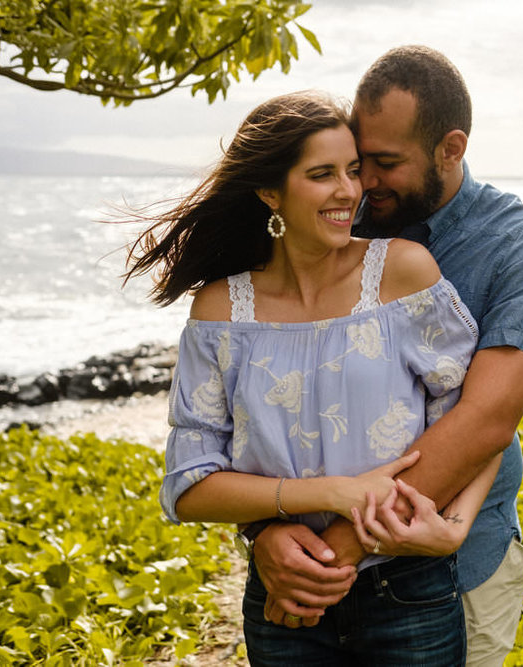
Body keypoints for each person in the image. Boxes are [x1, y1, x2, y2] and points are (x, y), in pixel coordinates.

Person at [123, 90, 501, 665]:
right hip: (285, 593)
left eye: (352, 170)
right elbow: (190, 483)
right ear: (270, 191)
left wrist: (453, 526)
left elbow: (479, 425)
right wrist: (316, 502)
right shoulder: (222, 311)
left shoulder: (401, 273)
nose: (349, 191)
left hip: (408, 590)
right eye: (322, 174)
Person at [249, 46, 523, 666]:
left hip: (454, 562)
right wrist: (264, 531)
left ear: (451, 148)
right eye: (358, 158)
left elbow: (483, 421)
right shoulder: (340, 218)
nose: (363, 182)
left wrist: (334, 557)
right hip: (306, 562)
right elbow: (267, 382)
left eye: (385, 162)